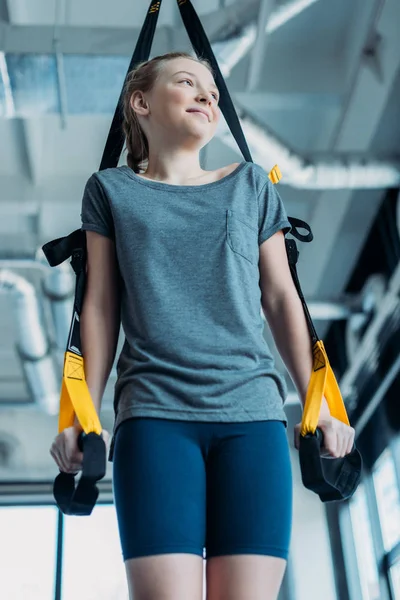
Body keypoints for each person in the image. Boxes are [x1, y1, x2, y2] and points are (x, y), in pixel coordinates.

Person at [50, 51, 355, 600]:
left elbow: (283, 299)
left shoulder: (252, 185)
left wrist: (322, 401)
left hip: (253, 419)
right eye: (187, 83)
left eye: (213, 90)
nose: (206, 95)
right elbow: (99, 305)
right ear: (140, 103)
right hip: (153, 418)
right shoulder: (110, 190)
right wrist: (83, 414)